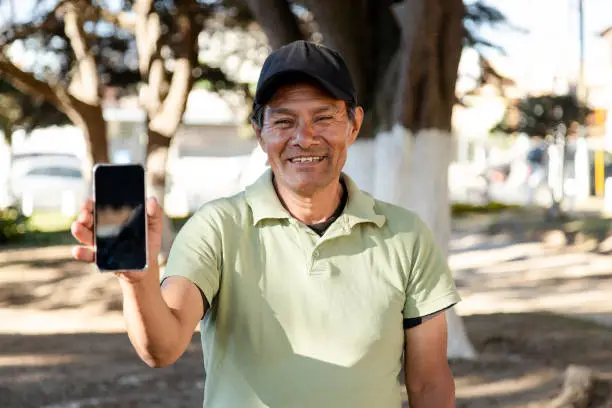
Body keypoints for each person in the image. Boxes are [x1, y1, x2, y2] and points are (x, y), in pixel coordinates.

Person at [71, 40, 460, 408]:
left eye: (324, 118)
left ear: (354, 125)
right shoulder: (216, 227)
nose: (304, 139)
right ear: (260, 132)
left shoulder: (406, 235)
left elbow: (428, 382)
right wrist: (138, 280)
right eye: (284, 121)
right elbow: (163, 347)